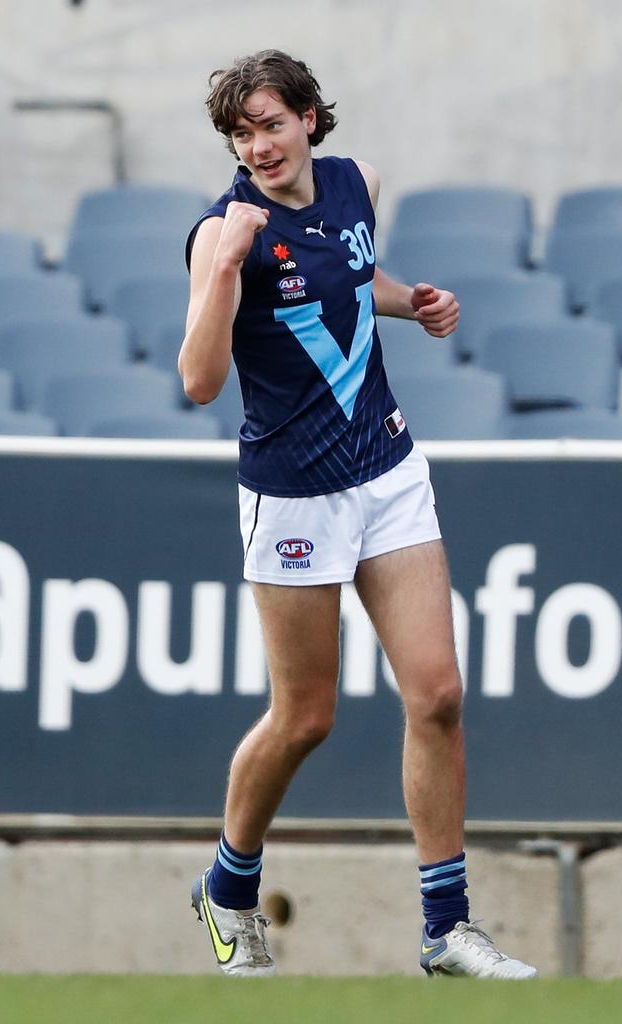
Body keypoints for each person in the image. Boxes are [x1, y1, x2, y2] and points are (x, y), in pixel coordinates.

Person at [180, 49, 537, 981]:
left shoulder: (355, 185)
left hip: (386, 469)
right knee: (305, 718)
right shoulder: (223, 231)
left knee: (439, 695)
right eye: (240, 133)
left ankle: (446, 928)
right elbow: (198, 379)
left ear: (308, 118)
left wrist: (411, 304)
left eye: (269, 123)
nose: (257, 145)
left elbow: (346, 283)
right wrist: (222, 268)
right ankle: (226, 887)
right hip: (293, 491)